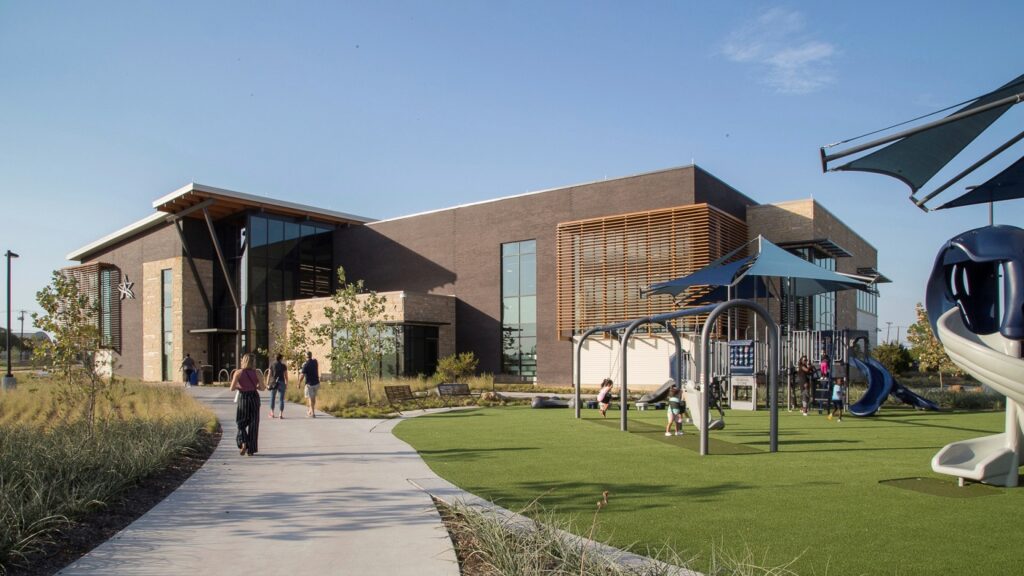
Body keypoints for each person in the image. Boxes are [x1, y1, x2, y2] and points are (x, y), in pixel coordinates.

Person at [229, 353, 265, 456]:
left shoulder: (238, 373)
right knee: (254, 423)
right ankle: (251, 450)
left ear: (243, 361)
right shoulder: (257, 372)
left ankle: (244, 442)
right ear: (253, 362)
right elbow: (262, 388)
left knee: (240, 422)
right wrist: (256, 386)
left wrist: (240, 386)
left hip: (243, 398)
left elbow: (231, 388)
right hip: (254, 397)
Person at [299, 351, 320, 417]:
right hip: (316, 383)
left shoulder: (305, 365)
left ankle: (312, 413)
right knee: (313, 398)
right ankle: (310, 411)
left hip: (309, 384)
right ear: (311, 355)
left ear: (306, 356)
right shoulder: (315, 362)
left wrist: (299, 383)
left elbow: (302, 375)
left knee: (310, 398)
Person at [268, 353, 288, 419]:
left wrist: (267, 383)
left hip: (273, 382)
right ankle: (280, 414)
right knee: (281, 399)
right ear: (281, 358)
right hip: (281, 382)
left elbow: (269, 374)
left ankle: (272, 413)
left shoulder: (272, 365)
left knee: (272, 398)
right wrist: (286, 383)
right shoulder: (283, 366)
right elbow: (286, 376)